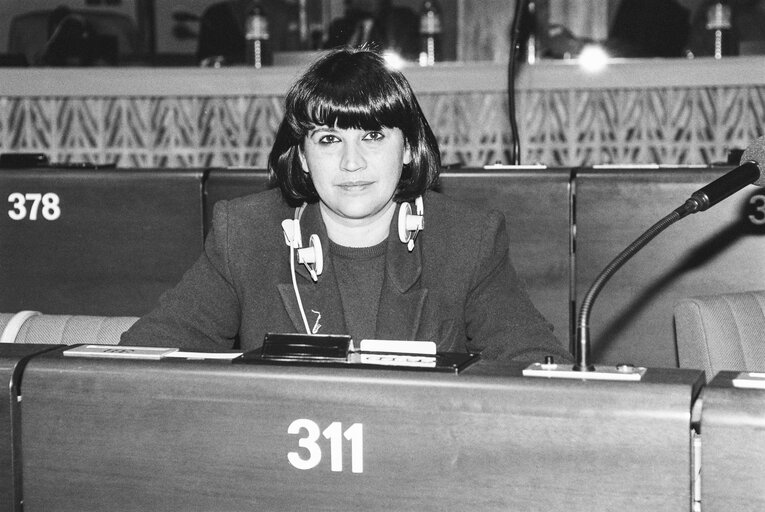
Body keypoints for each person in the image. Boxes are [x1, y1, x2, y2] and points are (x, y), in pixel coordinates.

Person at [120, 47, 571, 362]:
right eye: (329, 139)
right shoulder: (246, 232)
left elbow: (534, 359)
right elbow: (147, 352)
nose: (352, 162)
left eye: (373, 137)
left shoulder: (467, 238)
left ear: (410, 147)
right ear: (302, 154)